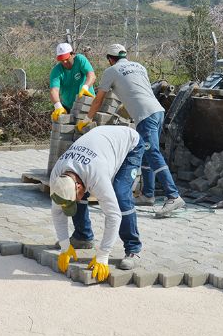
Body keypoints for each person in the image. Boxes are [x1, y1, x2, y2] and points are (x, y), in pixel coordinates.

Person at [78, 43, 185, 220]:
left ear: (110, 59)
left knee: (153, 153)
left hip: (145, 115)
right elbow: (136, 90)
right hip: (157, 111)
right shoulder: (139, 66)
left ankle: (173, 196)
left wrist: (87, 119)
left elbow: (98, 99)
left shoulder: (111, 71)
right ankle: (148, 195)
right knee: (145, 152)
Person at [49, 125, 145, 276]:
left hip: (130, 144)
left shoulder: (96, 176)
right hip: (100, 146)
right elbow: (57, 213)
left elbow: (113, 216)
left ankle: (133, 248)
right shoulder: (57, 178)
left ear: (79, 186)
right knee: (77, 199)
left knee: (120, 196)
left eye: (78, 193)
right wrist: (64, 245)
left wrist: (103, 255)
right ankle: (82, 237)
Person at [49, 42, 96, 122]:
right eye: (61, 60)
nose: (64, 62)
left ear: (72, 54)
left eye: (66, 59)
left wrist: (85, 87)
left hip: (88, 104)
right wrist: (58, 106)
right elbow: (54, 90)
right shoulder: (56, 71)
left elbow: (91, 75)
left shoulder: (80, 60)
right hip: (69, 107)